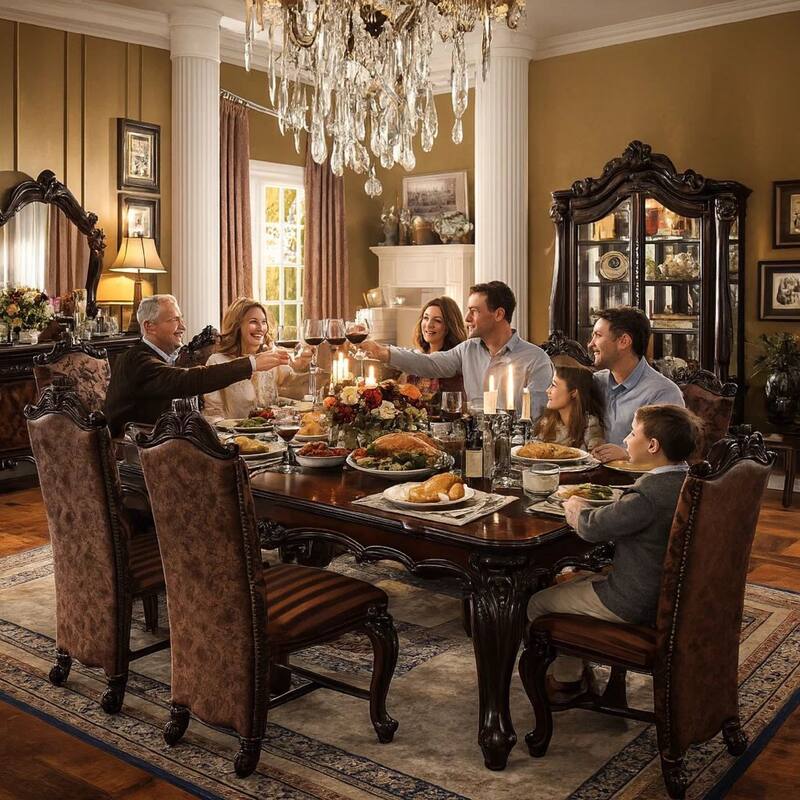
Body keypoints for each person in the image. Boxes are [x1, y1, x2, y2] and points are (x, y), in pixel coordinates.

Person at [527, 404, 701, 699]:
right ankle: (575, 669)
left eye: (633, 433)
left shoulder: (648, 495)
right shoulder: (690, 481)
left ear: (653, 445)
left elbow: (592, 529)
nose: (626, 440)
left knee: (538, 603)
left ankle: (566, 680)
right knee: (569, 581)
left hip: (633, 601)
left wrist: (573, 508)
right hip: (669, 595)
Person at [361, 281, 553, 417]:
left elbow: (539, 416)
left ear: (498, 314)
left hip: (516, 450)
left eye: (474, 311)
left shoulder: (535, 359)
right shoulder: (468, 349)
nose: (467, 318)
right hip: (473, 444)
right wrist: (383, 352)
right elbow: (429, 363)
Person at [104, 295, 289, 436]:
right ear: (149, 326)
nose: (183, 327)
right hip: (129, 454)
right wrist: (251, 364)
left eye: (181, 319)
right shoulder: (136, 360)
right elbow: (186, 381)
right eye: (174, 320)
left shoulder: (167, 358)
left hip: (159, 445)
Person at [588, 307, 685, 463]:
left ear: (624, 341)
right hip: (594, 477)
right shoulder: (595, 382)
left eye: (598, 335)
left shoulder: (663, 392)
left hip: (640, 483)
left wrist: (626, 454)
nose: (591, 344)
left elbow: (670, 456)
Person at [203, 298, 311, 422]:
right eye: (253, 322)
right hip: (234, 437)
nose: (261, 328)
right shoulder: (218, 361)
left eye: (264, 322)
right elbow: (212, 414)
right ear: (237, 326)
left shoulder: (269, 357)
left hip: (272, 436)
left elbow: (294, 385)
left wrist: (306, 364)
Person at [403, 296, 467, 399]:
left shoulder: (454, 364)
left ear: (449, 326)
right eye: (426, 318)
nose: (429, 325)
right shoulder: (416, 357)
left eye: (437, 321)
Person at [533, 363, 605, 450]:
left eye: (553, 385)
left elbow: (595, 458)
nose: (548, 390)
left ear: (573, 392)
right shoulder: (547, 423)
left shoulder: (589, 426)